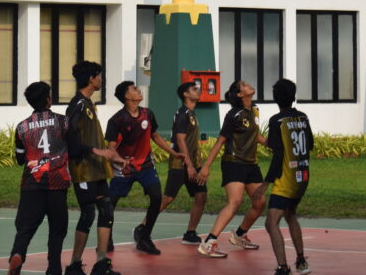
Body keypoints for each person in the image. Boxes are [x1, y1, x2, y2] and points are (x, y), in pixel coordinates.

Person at [8, 81, 117, 275]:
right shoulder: (63, 122)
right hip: (57, 184)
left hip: (31, 185)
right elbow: (75, 150)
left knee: (25, 228)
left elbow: (19, 158)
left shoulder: (22, 127)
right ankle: (54, 269)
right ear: (48, 100)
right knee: (57, 231)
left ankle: (17, 254)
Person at [105, 81, 183, 255]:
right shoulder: (117, 120)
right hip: (123, 168)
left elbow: (155, 136)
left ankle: (144, 237)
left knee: (156, 198)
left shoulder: (148, 114)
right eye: (134, 89)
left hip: (146, 165)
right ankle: (107, 238)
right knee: (110, 204)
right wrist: (118, 160)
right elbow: (111, 147)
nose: (138, 90)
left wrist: (173, 152)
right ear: (126, 96)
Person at [65, 61, 125, 275]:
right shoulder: (77, 105)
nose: (101, 79)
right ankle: (74, 265)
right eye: (98, 76)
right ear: (91, 79)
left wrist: (110, 156)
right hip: (83, 170)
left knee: (106, 210)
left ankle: (101, 263)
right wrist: (97, 151)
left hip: (96, 170)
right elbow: (70, 140)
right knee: (88, 214)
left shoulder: (89, 104)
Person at [197, 80, 267, 258]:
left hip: (251, 163)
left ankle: (239, 235)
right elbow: (221, 140)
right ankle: (209, 242)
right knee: (234, 202)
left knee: (259, 203)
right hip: (233, 162)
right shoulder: (233, 115)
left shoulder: (255, 109)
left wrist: (268, 142)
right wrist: (206, 166)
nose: (249, 85)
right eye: (244, 85)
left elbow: (253, 133)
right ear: (240, 94)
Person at [253, 79, 314, 275]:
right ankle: (301, 260)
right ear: (293, 96)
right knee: (290, 215)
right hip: (302, 177)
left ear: (275, 98)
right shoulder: (303, 117)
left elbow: (279, 154)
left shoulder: (277, 121)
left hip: (285, 179)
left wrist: (265, 183)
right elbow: (309, 144)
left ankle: (282, 267)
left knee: (271, 223)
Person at [160, 82, 208, 245]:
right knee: (168, 198)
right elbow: (180, 140)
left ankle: (190, 233)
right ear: (186, 95)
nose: (198, 91)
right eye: (194, 89)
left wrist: (196, 163)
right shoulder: (182, 114)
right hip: (180, 163)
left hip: (193, 164)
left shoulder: (191, 113)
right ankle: (143, 228)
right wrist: (188, 165)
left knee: (201, 196)